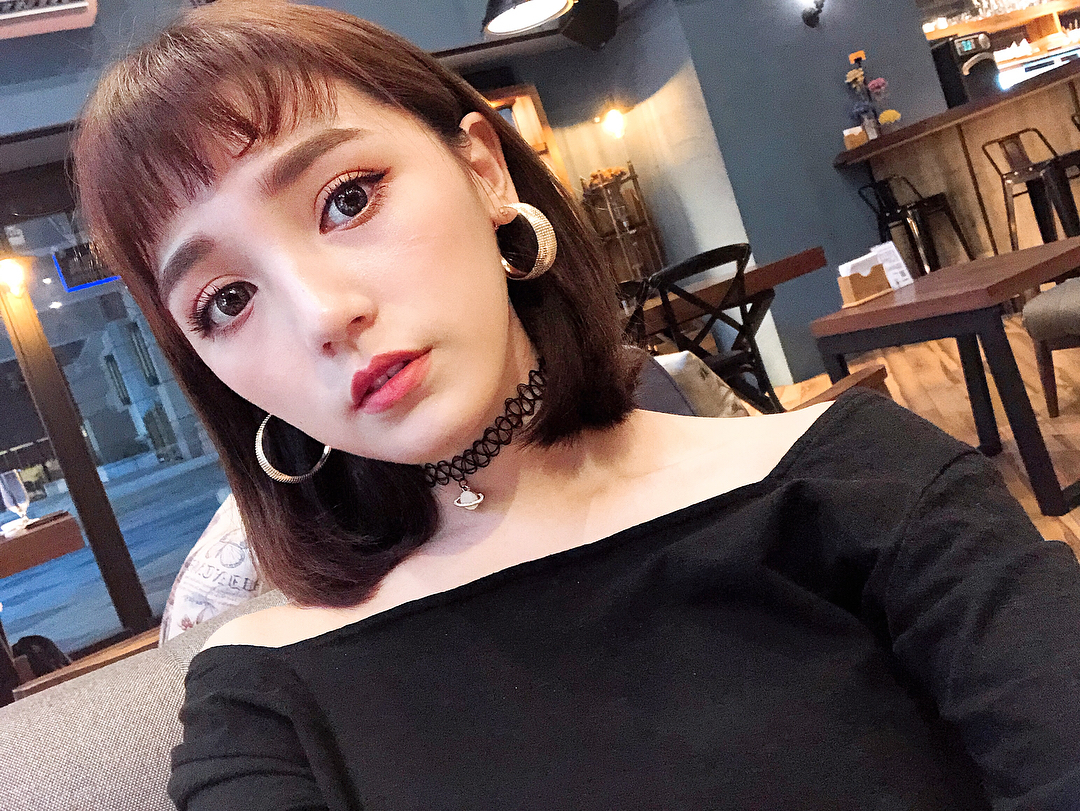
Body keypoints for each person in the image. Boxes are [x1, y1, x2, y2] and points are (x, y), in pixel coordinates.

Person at [73, 2, 1080, 809]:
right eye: (227, 300)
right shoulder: (263, 704)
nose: (323, 314)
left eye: (349, 198)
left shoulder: (863, 485)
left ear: (482, 169)